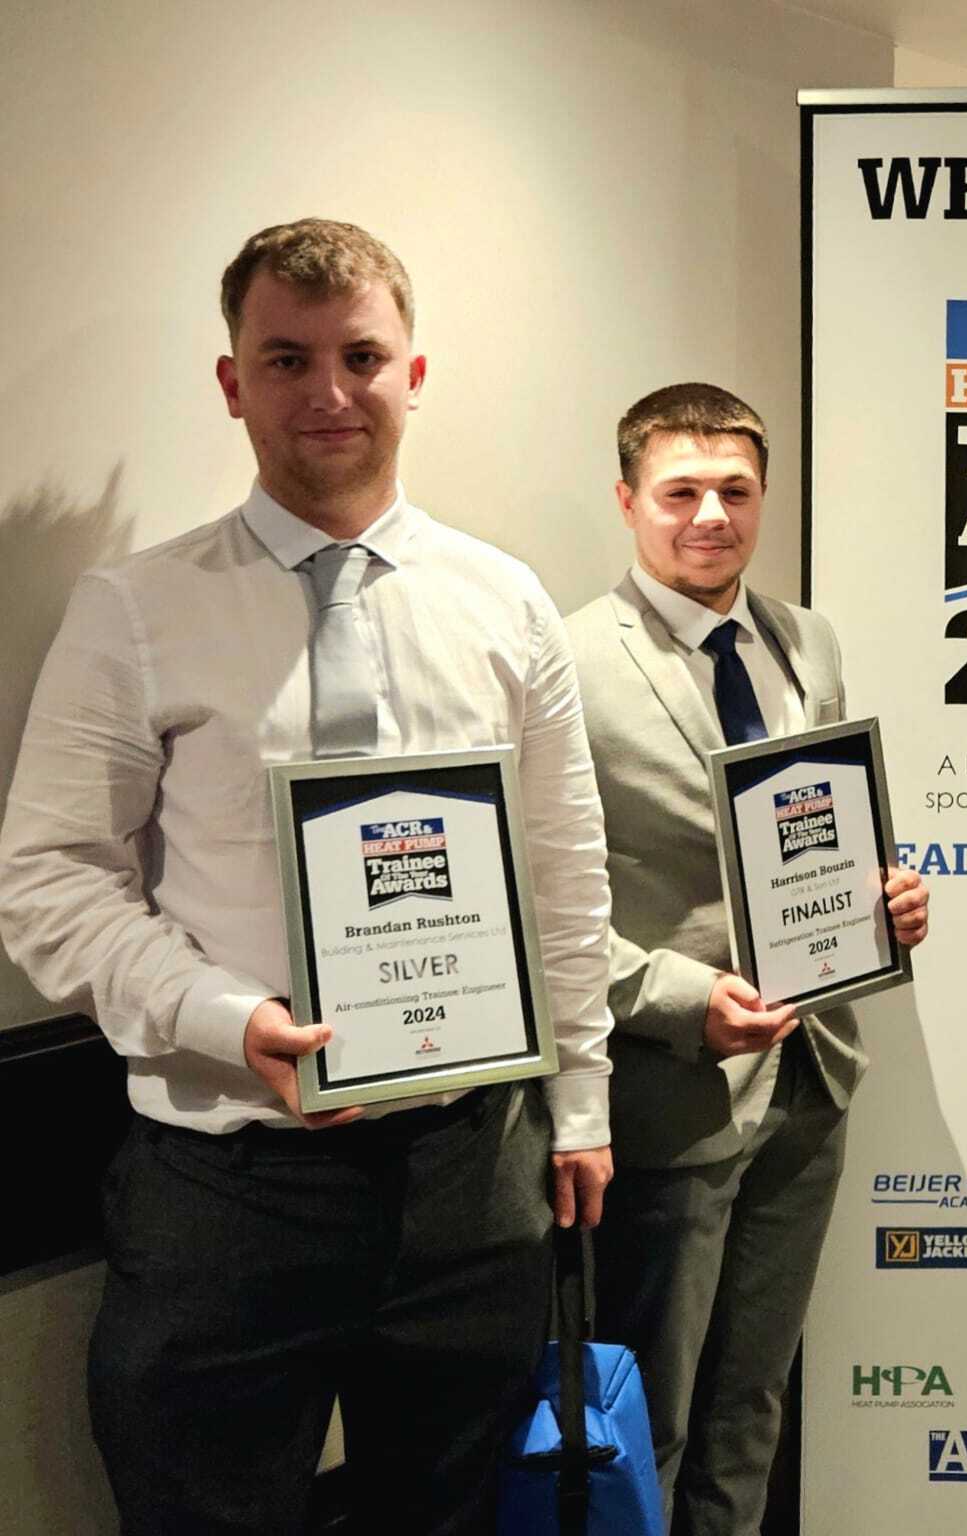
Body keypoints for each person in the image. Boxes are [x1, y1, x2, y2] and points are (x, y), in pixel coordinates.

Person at [0, 218, 614, 1532]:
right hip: (227, 1186)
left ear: (415, 371)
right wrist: (237, 1024)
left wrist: (581, 1107)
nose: (328, 394)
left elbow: (562, 878)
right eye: (287, 359)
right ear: (233, 382)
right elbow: (52, 884)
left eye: (360, 356)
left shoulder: (506, 606)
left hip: (468, 1177)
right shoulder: (137, 610)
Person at [566, 382, 929, 1533]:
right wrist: (681, 1001)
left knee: (751, 1404)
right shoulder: (565, 661)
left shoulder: (802, 639)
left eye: (735, 490)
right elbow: (542, 909)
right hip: (669, 1092)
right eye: (680, 492)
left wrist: (884, 894)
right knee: (650, 1419)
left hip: (811, 1079)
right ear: (628, 502)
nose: (709, 515)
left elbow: (815, 827)